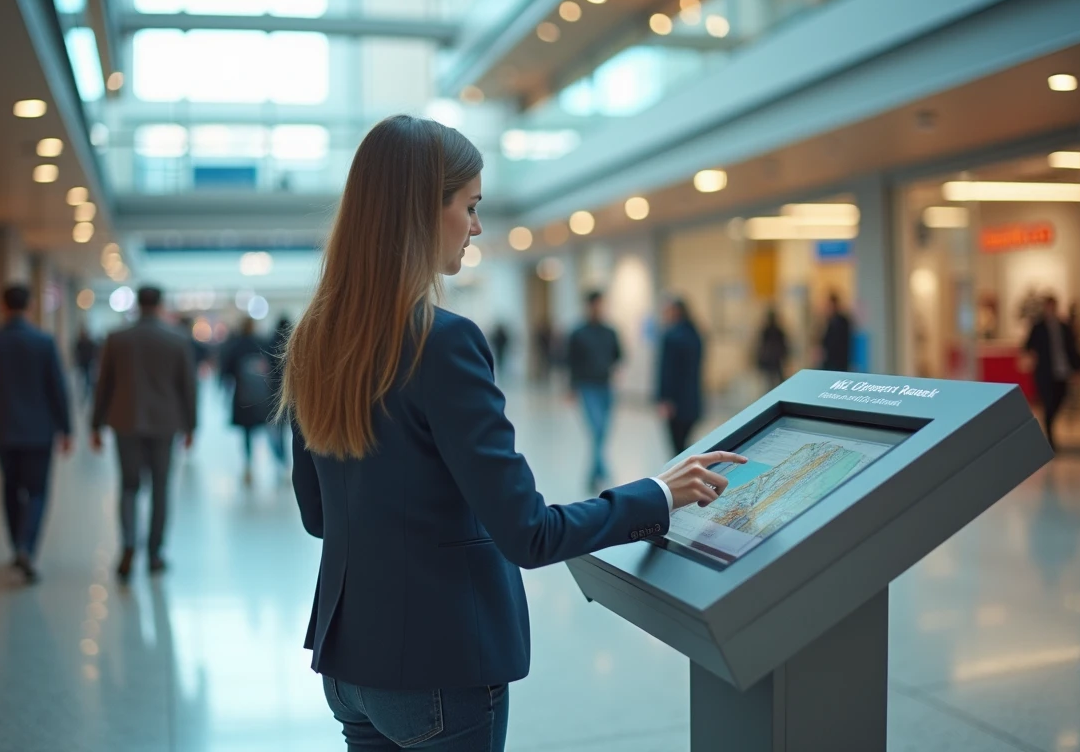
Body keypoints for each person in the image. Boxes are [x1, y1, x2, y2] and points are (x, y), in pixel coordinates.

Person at [280, 115, 742, 750]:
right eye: (468, 207)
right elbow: (528, 532)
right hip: (439, 668)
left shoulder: (314, 338)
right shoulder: (443, 342)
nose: (475, 227)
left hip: (351, 663)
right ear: (422, 209)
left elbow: (318, 514)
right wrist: (656, 495)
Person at [91, 286, 197, 581]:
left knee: (128, 486)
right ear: (161, 304)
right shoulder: (176, 339)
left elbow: (104, 384)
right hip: (165, 424)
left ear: (138, 304)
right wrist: (191, 426)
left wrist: (95, 424)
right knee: (161, 488)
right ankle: (155, 553)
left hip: (125, 421)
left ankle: (127, 545)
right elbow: (188, 386)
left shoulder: (117, 338)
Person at [0, 284, 72, 583]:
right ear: (30, 307)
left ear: (3, 305)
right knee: (37, 490)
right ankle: (27, 546)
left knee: (10, 487)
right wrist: (66, 429)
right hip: (39, 431)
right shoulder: (44, 342)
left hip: (1, 430)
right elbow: (57, 389)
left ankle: (16, 544)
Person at [568, 291, 623, 489]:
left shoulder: (610, 331)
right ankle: (603, 472)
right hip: (587, 387)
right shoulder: (578, 332)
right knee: (597, 428)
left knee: (602, 432)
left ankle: (594, 473)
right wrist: (571, 388)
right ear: (589, 306)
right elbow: (570, 362)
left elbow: (618, 354)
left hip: (606, 386)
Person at [1024, 295, 1080, 452]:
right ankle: (1051, 438)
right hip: (1045, 373)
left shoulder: (1064, 327)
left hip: (1062, 371)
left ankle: (1050, 428)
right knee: (1048, 403)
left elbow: (1072, 349)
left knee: (1060, 399)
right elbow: (1028, 345)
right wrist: (1030, 357)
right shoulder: (1038, 327)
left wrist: (1079, 368)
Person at [222, 316, 273, 483]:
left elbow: (227, 371)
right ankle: (281, 463)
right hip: (262, 395)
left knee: (246, 433)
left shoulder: (235, 346)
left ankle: (248, 466)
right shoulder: (262, 343)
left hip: (242, 396)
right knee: (270, 430)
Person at [657, 297, 704, 456]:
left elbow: (667, 371)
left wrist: (664, 398)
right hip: (693, 399)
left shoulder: (671, 336)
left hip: (675, 402)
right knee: (684, 442)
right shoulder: (696, 335)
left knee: (677, 446)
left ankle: (682, 475)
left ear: (676, 311)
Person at [266, 316, 292, 470]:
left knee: (276, 428)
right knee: (291, 429)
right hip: (291, 391)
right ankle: (284, 458)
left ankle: (280, 457)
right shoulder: (294, 342)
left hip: (273, 391)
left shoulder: (270, 342)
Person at [756, 307, 789, 389]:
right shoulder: (778, 330)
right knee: (778, 378)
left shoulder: (766, 331)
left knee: (770, 380)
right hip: (777, 359)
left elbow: (761, 346)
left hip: (770, 359)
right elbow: (784, 344)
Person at [820, 292, 853, 371]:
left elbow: (837, 342)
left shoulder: (840, 321)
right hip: (832, 361)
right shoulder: (830, 321)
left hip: (837, 362)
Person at [74, 327, 98, 401]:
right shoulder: (81, 342)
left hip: (86, 362)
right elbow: (76, 352)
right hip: (84, 362)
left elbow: (93, 352)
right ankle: (85, 390)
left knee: (86, 377)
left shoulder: (88, 342)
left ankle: (86, 391)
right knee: (83, 377)